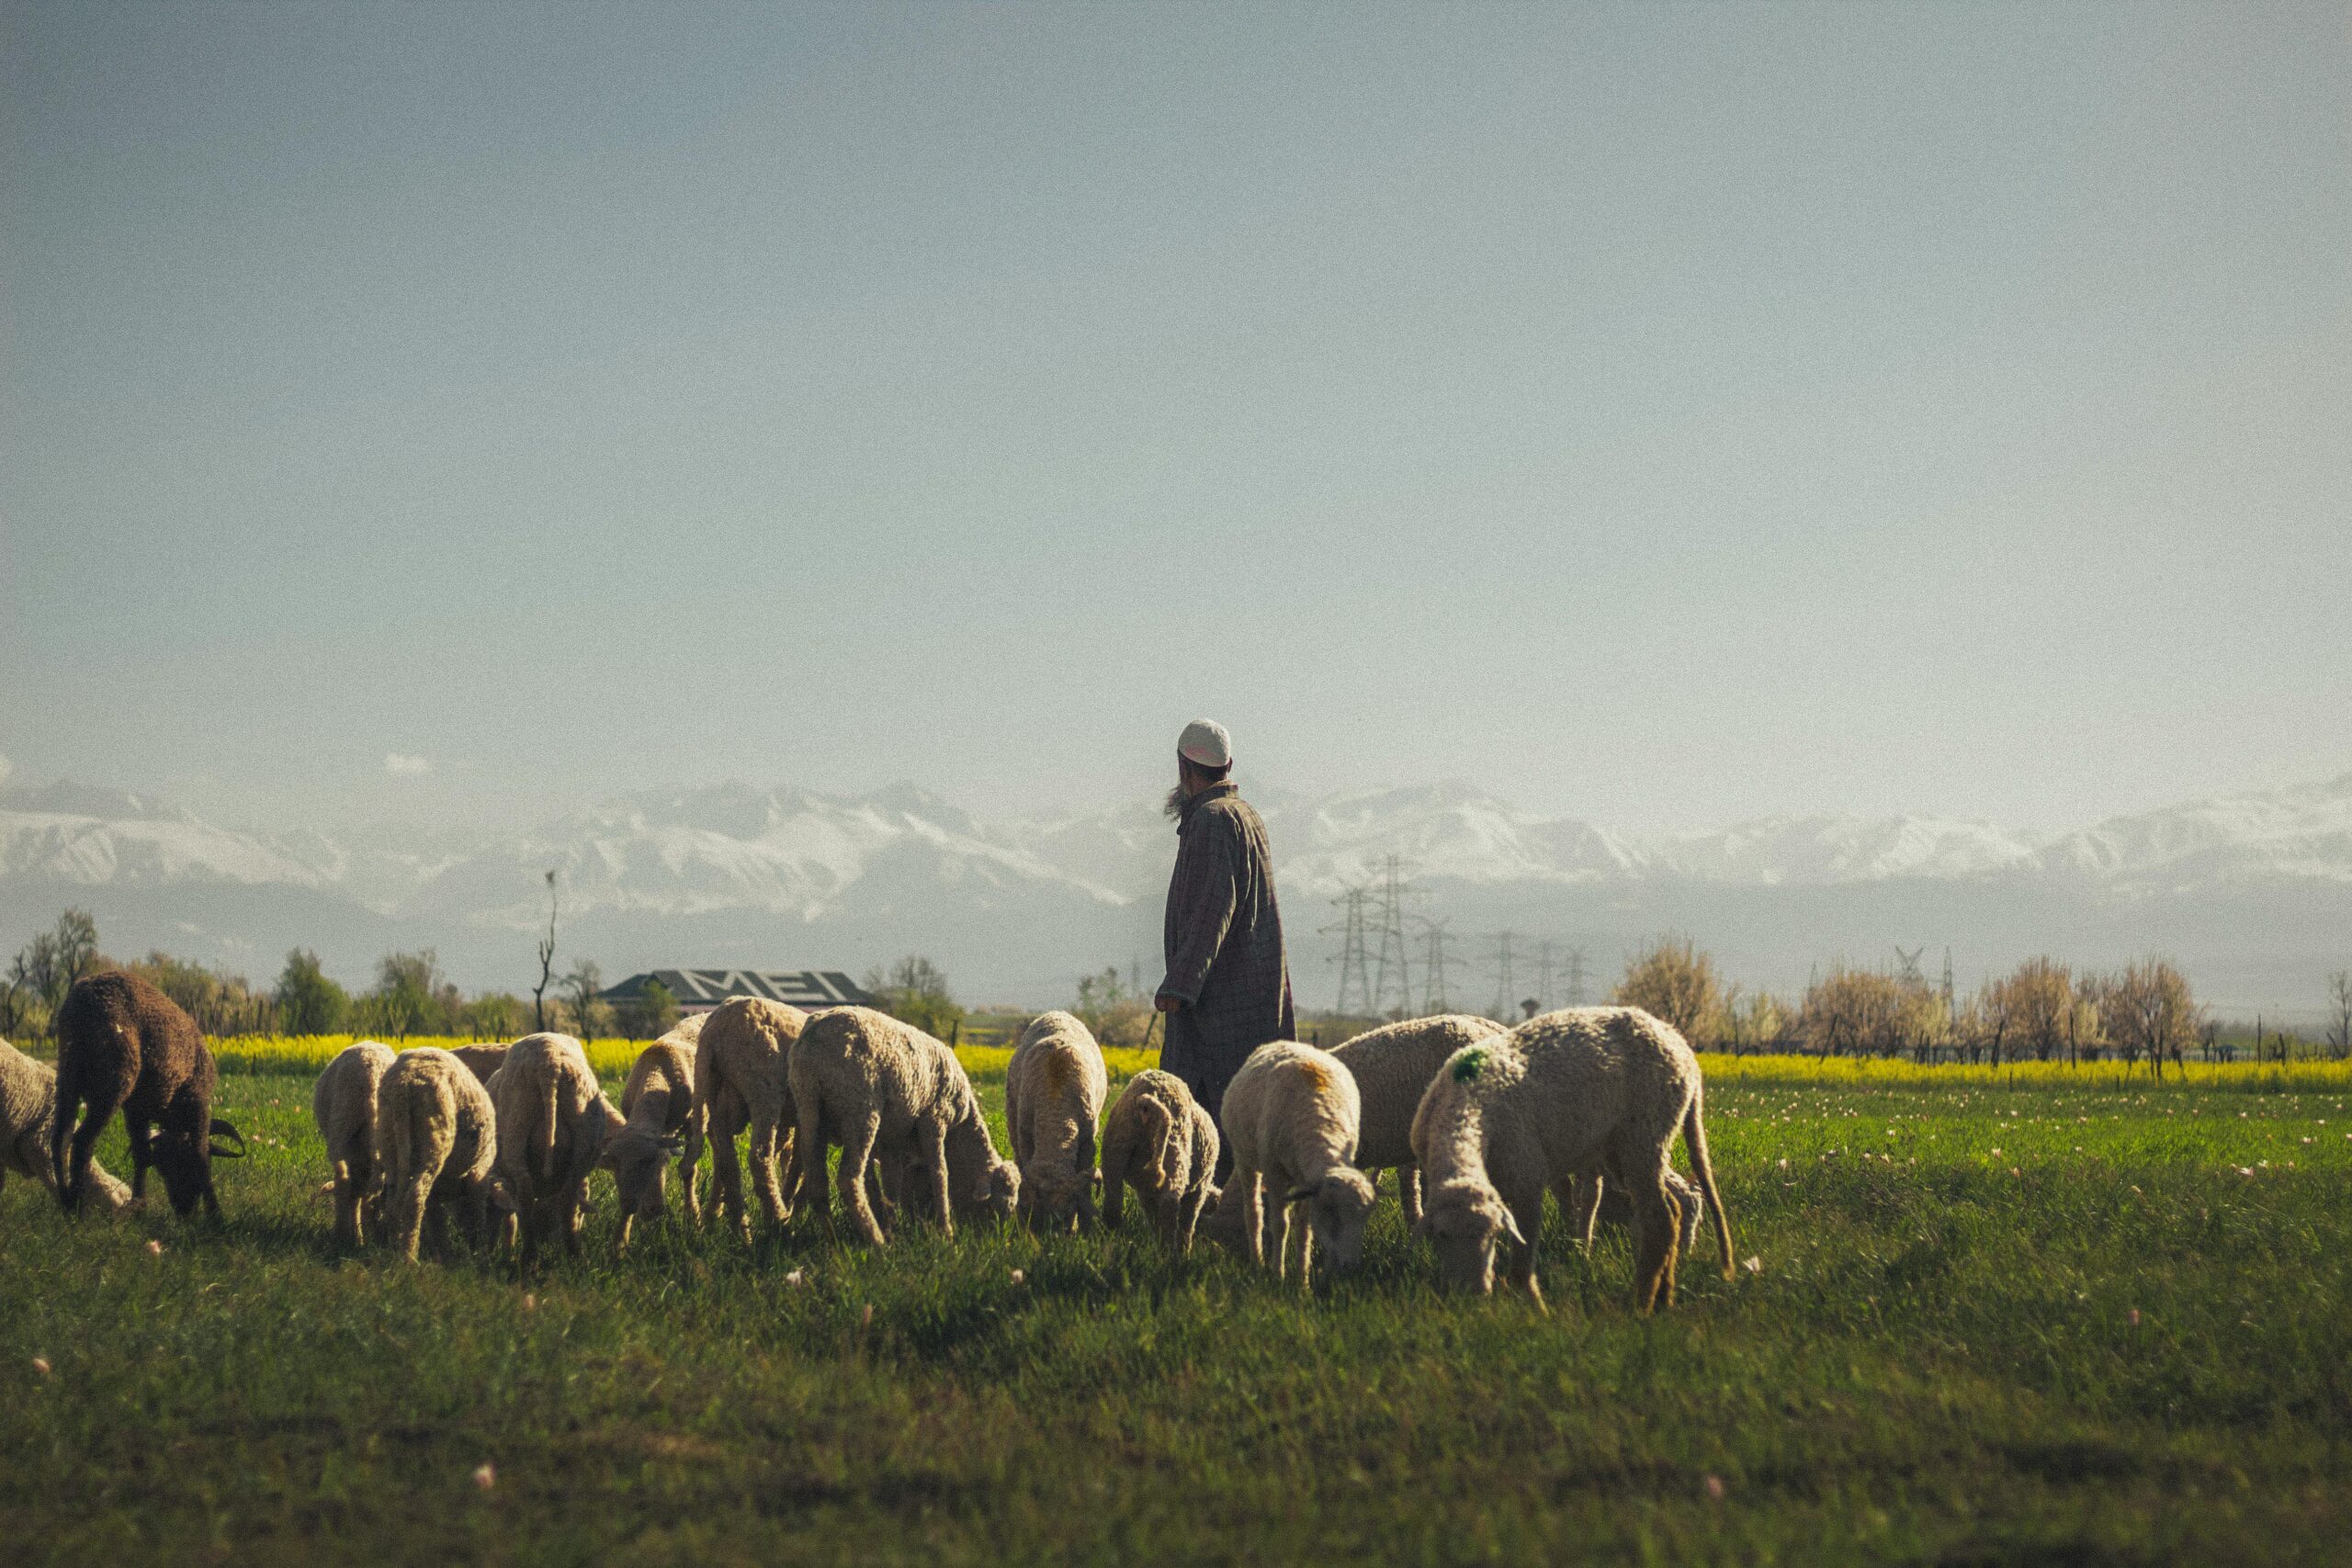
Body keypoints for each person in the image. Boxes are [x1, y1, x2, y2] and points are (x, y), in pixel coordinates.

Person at [1155, 718, 1295, 1174]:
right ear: (1227, 765)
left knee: (1208, 1116)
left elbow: (1213, 909)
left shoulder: (1212, 822)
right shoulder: (1247, 815)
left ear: (1182, 767)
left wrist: (1181, 986)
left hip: (1219, 1008)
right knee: (1249, 1118)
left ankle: (1209, 1219)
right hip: (1255, 1000)